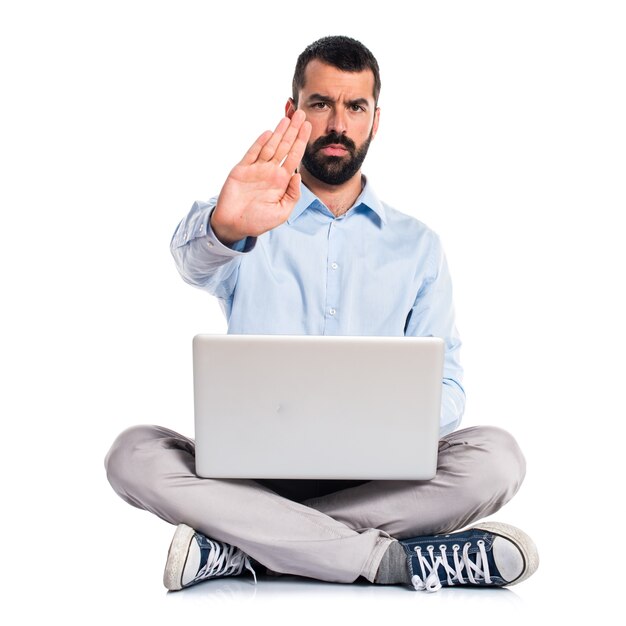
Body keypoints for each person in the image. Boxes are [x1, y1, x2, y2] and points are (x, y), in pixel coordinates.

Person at [105, 35, 538, 593]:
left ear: (375, 120)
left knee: (496, 459)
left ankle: (244, 548)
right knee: (133, 454)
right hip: (254, 476)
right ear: (294, 112)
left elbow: (449, 387)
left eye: (354, 107)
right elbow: (191, 262)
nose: (338, 123)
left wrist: (378, 429)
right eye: (320, 104)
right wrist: (227, 227)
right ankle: (390, 562)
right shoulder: (252, 218)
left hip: (377, 479)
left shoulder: (419, 246)